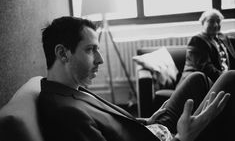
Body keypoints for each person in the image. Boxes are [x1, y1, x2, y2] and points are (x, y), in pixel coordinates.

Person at [38, 16, 234, 141]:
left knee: (198, 79)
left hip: (147, 129)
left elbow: (110, 123)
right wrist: (183, 137)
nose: (101, 60)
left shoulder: (69, 88)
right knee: (230, 79)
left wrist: (145, 121)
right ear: (63, 54)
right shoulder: (65, 115)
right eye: (90, 50)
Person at [179, 9, 235, 84]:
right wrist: (228, 79)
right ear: (203, 23)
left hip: (222, 80)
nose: (215, 25)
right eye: (211, 21)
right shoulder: (197, 40)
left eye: (218, 21)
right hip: (197, 83)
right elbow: (206, 69)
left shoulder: (223, 38)